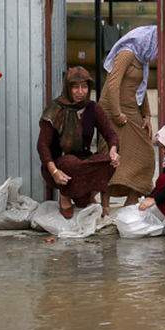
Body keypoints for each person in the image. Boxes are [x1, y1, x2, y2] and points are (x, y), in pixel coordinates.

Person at [38, 66, 121, 219]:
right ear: (68, 88)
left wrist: (113, 151)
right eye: (75, 87)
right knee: (71, 162)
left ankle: (87, 194)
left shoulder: (93, 108)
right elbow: (42, 145)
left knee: (109, 162)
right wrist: (54, 171)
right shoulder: (55, 109)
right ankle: (65, 196)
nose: (80, 91)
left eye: (84, 86)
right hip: (59, 165)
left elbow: (110, 134)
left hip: (83, 161)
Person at [101, 25, 158, 206]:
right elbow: (112, 84)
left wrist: (147, 116)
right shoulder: (126, 54)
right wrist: (117, 114)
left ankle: (132, 199)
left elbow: (141, 88)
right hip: (113, 111)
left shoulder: (142, 59)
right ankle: (104, 204)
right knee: (109, 156)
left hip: (131, 111)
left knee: (146, 155)